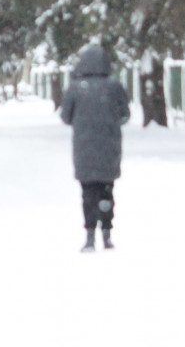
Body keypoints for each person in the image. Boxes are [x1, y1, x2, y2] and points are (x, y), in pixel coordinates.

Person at [59, 44, 130, 252]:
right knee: (107, 191)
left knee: (88, 192)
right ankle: (107, 233)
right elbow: (125, 115)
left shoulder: (75, 88)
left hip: (84, 149)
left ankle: (90, 235)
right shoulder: (114, 87)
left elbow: (65, 117)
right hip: (109, 147)